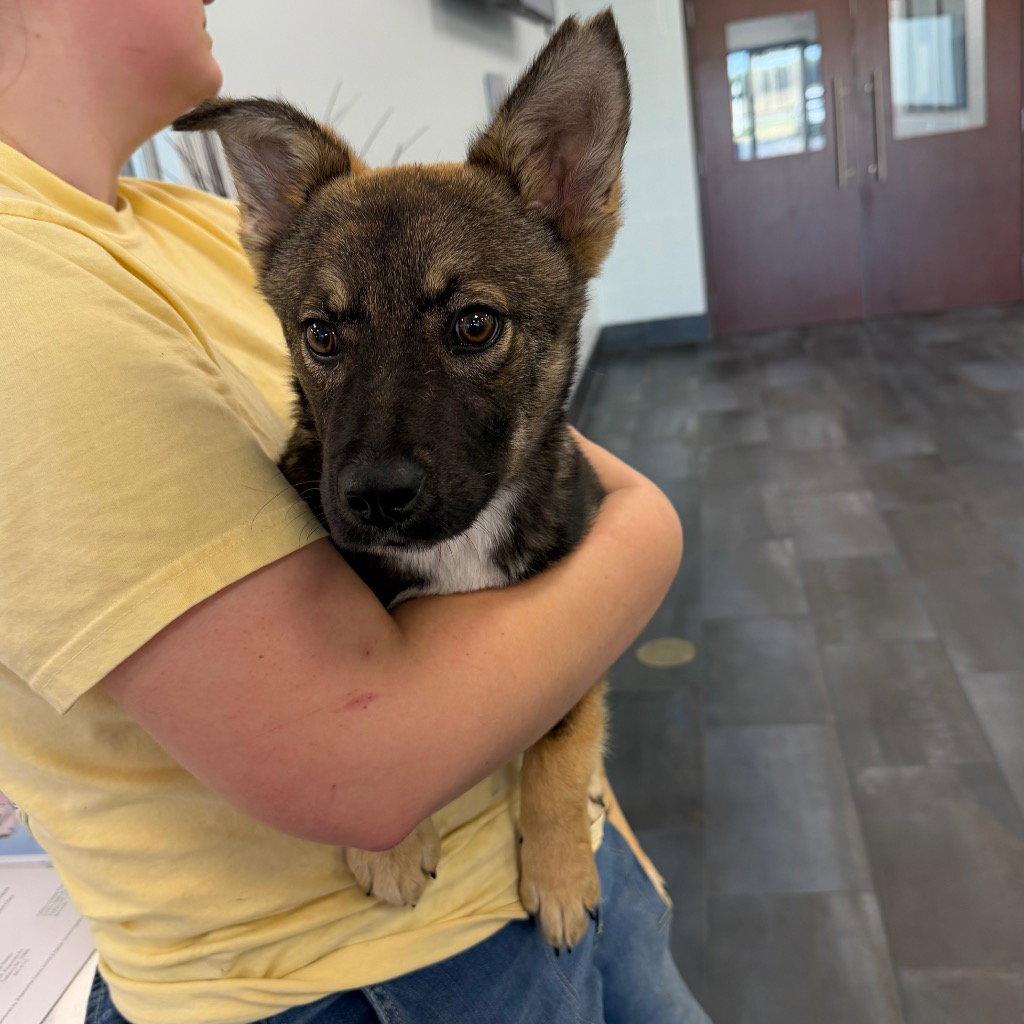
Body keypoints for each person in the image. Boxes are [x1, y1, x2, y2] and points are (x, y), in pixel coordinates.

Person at [0, 2, 711, 1022]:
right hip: (372, 978)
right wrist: (648, 531)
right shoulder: (23, 294)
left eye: (470, 327)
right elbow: (360, 774)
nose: (374, 463)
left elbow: (560, 486)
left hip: (556, 860)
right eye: (327, 343)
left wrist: (567, 788)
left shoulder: (179, 223)